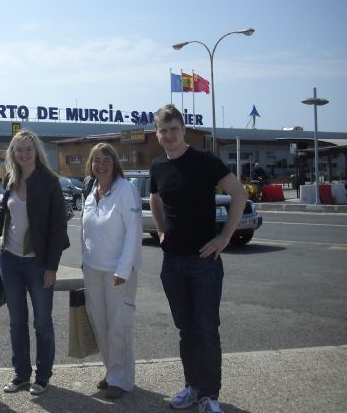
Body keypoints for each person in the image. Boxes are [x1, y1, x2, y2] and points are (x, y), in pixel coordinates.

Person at [149, 104, 247, 413]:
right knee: (186, 330)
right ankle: (191, 388)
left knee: (205, 330)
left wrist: (224, 237)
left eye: (174, 129)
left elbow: (239, 194)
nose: (169, 135)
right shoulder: (158, 167)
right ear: (157, 134)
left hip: (203, 263)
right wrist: (161, 230)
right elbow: (155, 198)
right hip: (172, 263)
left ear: (184, 129)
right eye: (163, 131)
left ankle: (209, 396)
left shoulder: (205, 161)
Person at [0, 130, 70, 395]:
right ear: (13, 153)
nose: (23, 154)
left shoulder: (49, 182)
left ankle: (42, 376)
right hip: (9, 260)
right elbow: (4, 211)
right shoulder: (11, 178)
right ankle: (21, 375)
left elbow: (58, 227)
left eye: (28, 149)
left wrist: (52, 267)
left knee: (42, 323)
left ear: (37, 152)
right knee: (16, 322)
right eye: (18, 150)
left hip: (38, 262)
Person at [80, 143, 143, 400]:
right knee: (100, 324)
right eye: (96, 160)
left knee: (119, 326)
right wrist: (84, 263)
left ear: (115, 163)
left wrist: (123, 269)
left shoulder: (125, 190)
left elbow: (134, 232)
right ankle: (112, 371)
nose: (101, 164)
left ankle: (122, 380)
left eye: (106, 159)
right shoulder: (92, 190)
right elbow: (86, 232)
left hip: (118, 272)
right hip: (93, 270)